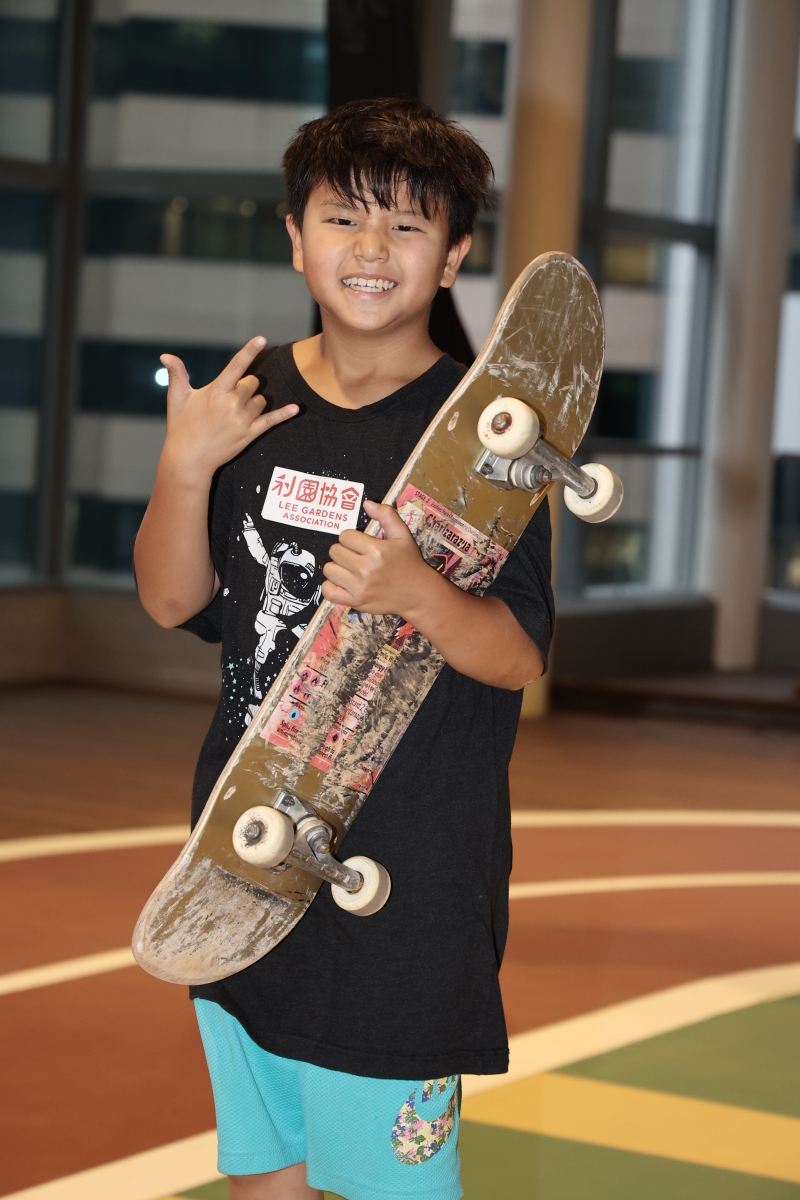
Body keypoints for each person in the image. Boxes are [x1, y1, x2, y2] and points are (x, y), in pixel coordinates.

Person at [134, 97, 553, 1200]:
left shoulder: (485, 434)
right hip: (246, 851)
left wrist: (418, 592)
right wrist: (184, 465)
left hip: (405, 887)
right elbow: (173, 600)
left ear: (452, 256)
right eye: (341, 218)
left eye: (407, 225)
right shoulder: (247, 407)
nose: (371, 248)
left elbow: (517, 656)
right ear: (294, 236)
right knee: (266, 1177)